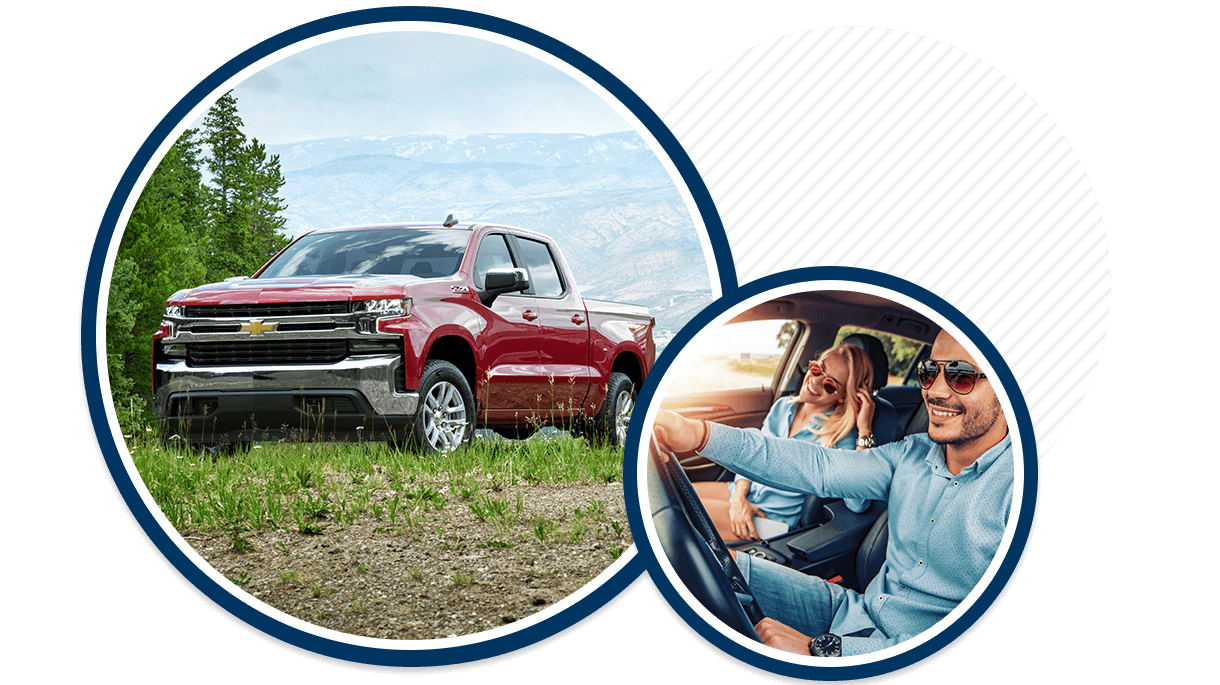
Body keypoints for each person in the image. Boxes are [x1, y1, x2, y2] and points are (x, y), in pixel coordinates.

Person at [653, 329, 1012, 657]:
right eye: (930, 372)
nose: (934, 390)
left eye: (961, 376)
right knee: (707, 562)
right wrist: (698, 434)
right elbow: (816, 466)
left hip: (897, 649)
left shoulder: (1015, 492)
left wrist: (824, 652)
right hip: (851, 610)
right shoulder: (910, 454)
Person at [692, 343, 877, 542]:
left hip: (770, 519)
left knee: (679, 514)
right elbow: (750, 454)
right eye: (817, 370)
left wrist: (865, 429)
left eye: (830, 384)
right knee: (674, 492)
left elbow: (857, 503)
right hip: (744, 494)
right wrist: (739, 497)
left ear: (843, 397)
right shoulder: (783, 406)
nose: (814, 382)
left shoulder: (840, 437)